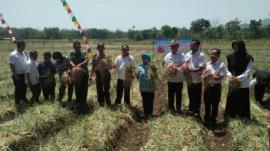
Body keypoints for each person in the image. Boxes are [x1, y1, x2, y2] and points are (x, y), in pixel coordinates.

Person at [225, 40, 254, 119]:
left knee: (243, 99)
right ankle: (231, 114)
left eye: (236, 46)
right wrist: (230, 76)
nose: (235, 48)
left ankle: (243, 116)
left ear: (241, 47)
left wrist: (237, 78)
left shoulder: (248, 58)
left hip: (243, 82)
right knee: (232, 98)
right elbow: (226, 69)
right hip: (232, 82)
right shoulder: (229, 57)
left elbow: (248, 71)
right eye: (234, 46)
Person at [202, 48, 227, 126]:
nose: (212, 55)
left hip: (216, 87)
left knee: (215, 104)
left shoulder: (221, 65)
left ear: (218, 55)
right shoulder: (207, 64)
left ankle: (213, 120)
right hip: (207, 86)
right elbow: (204, 75)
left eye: (214, 54)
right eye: (211, 54)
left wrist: (211, 75)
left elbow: (221, 77)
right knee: (207, 104)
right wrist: (205, 76)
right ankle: (206, 119)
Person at [184, 39, 206, 116]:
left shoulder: (201, 55)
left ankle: (197, 110)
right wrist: (185, 68)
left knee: (197, 95)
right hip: (189, 79)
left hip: (197, 79)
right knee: (190, 94)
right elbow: (185, 63)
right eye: (191, 45)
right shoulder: (187, 54)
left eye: (193, 45)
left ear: (198, 46)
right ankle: (191, 108)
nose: (191, 46)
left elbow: (201, 67)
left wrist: (192, 70)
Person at [164, 40, 185, 114]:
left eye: (174, 45)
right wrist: (168, 69)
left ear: (178, 46)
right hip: (170, 79)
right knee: (170, 95)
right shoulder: (168, 55)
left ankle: (178, 109)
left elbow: (184, 66)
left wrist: (176, 69)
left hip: (179, 79)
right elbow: (164, 64)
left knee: (179, 95)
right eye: (171, 45)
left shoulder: (182, 55)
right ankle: (171, 109)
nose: (172, 47)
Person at [70, 40, 89, 113]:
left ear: (80, 46)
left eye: (78, 46)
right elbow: (70, 61)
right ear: (73, 47)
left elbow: (86, 60)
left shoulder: (84, 53)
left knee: (84, 87)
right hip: (76, 73)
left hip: (83, 73)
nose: (77, 47)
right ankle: (78, 103)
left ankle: (83, 103)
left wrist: (79, 65)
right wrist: (73, 65)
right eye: (75, 46)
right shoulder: (72, 54)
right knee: (77, 87)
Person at [8, 40, 28, 105]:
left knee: (24, 88)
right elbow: (11, 64)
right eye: (23, 45)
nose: (24, 47)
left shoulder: (24, 53)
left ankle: (24, 99)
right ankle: (17, 102)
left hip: (24, 74)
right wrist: (15, 74)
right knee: (18, 89)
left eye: (24, 45)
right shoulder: (13, 54)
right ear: (19, 46)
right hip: (18, 75)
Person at [138, 52, 157, 117]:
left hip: (151, 87)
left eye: (145, 58)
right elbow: (137, 76)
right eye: (143, 58)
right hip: (143, 87)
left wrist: (153, 74)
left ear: (148, 59)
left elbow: (156, 76)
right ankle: (146, 113)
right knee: (145, 100)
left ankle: (150, 113)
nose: (144, 59)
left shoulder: (153, 67)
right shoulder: (140, 67)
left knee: (150, 100)